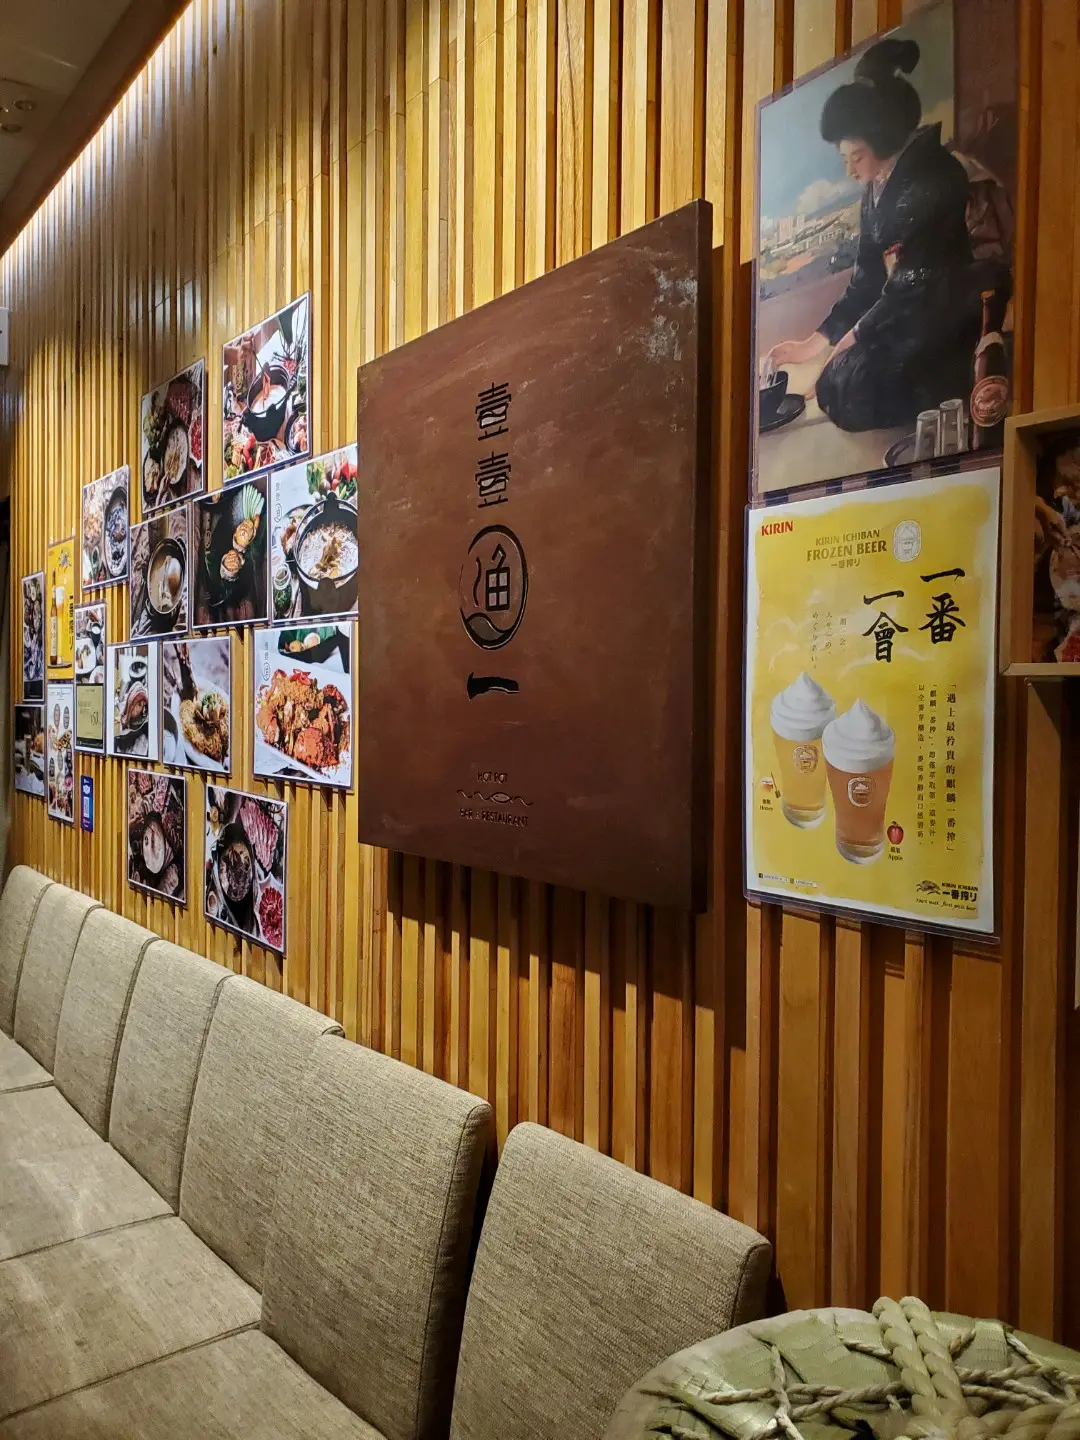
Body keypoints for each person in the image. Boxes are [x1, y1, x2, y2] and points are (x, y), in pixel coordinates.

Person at [767, 37, 985, 433]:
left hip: (942, 314)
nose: (850, 170)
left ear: (882, 141)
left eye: (857, 157)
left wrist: (848, 342)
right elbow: (866, 278)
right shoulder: (875, 189)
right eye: (844, 159)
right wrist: (812, 345)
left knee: (849, 386)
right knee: (837, 384)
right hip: (901, 315)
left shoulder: (935, 177)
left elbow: (911, 284)